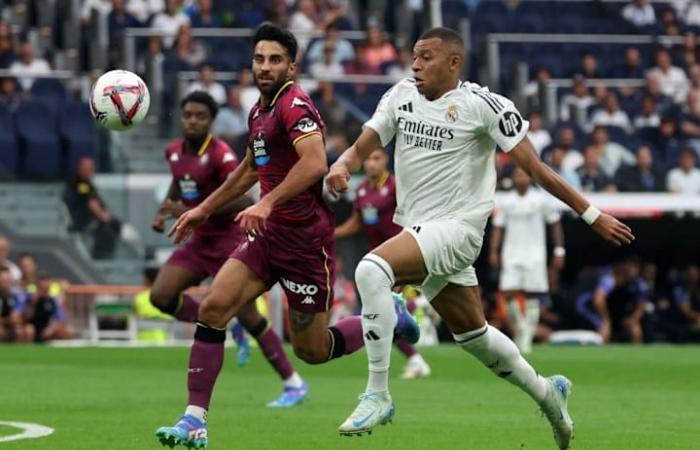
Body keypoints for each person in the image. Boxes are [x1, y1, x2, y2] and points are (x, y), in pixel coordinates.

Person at [327, 27, 634, 447]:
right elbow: (361, 147)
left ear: (454, 62)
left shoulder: (484, 106)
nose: (415, 64)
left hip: (458, 230)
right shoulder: (399, 95)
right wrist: (343, 164)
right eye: (414, 56)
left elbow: (537, 169)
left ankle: (378, 394)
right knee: (474, 337)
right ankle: (548, 393)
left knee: (371, 270)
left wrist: (592, 214)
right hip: (419, 229)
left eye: (426, 57)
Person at [155, 25, 419, 449]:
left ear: (291, 66)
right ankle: (194, 420)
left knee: (312, 351)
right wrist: (202, 210)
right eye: (259, 59)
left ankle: (387, 314)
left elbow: (315, 162)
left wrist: (266, 202)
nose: (265, 67)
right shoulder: (259, 111)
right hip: (268, 237)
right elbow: (248, 167)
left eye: (275, 60)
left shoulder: (295, 104)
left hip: (304, 243)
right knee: (215, 308)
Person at [151, 90, 308, 407]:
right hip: (198, 241)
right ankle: (223, 323)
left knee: (250, 315)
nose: (192, 121)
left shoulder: (221, 154)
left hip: (227, 241)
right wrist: (166, 209)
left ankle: (294, 383)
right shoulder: (173, 152)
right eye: (187, 115)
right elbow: (179, 180)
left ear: (211, 121)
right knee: (161, 296)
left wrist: (188, 207)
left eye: (200, 116)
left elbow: (244, 199)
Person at [335, 147, 432, 379]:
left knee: (383, 311)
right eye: (367, 159)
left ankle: (419, 310)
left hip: (401, 255)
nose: (370, 164)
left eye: (376, 158)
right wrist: (332, 234)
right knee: (384, 312)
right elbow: (357, 223)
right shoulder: (361, 192)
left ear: (385, 160)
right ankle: (416, 345)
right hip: (377, 261)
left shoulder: (397, 186)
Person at [489, 166, 565, 354]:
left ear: (531, 178)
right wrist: (494, 251)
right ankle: (522, 327)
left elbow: (555, 224)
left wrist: (559, 250)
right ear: (513, 178)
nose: (521, 178)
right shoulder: (507, 201)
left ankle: (527, 336)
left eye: (524, 174)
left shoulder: (540, 200)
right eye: (517, 175)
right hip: (511, 253)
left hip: (535, 254)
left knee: (532, 294)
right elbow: (498, 227)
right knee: (507, 293)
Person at [575, 258, 647, 343]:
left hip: (621, 314)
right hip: (587, 306)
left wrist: (632, 319)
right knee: (604, 329)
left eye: (635, 267)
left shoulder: (638, 283)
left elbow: (641, 305)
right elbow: (598, 300)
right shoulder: (609, 278)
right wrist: (606, 320)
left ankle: (637, 355)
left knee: (635, 330)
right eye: (629, 266)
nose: (631, 270)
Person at [63, 157, 122, 259]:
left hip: (90, 219)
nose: (90, 171)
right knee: (107, 227)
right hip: (83, 220)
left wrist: (109, 215)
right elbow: (91, 202)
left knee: (115, 224)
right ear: (79, 168)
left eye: (91, 168)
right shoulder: (81, 184)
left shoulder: (87, 183)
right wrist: (104, 216)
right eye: (86, 168)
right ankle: (101, 257)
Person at [23, 273, 73, 342]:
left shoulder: (53, 299)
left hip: (48, 327)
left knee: (66, 330)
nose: (44, 286)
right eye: (42, 283)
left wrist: (52, 328)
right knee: (28, 330)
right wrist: (33, 303)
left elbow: (60, 317)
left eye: (46, 283)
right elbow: (27, 317)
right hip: (35, 326)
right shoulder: (31, 297)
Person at [0, 266, 29, 342]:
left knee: (26, 330)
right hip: (2, 326)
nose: (6, 283)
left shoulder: (17, 295)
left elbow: (17, 316)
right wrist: (8, 320)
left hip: (13, 327)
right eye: (3, 280)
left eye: (8, 280)